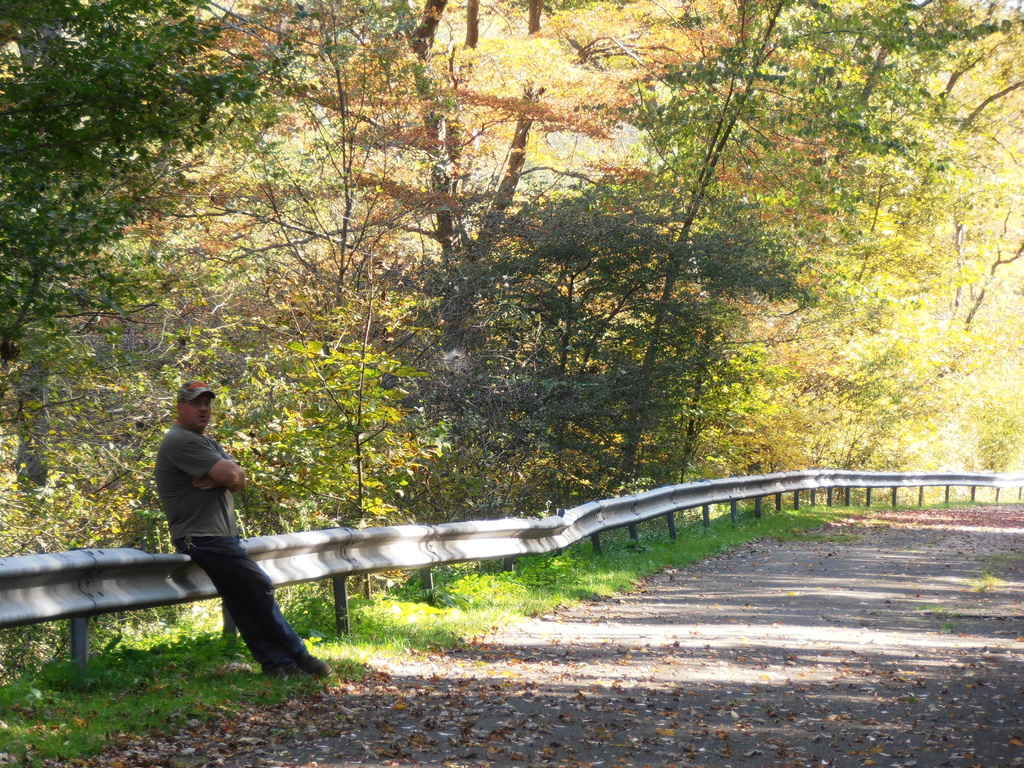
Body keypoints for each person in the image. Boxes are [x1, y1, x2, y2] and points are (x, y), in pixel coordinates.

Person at [155, 380, 332, 678]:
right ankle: (300, 655)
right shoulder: (181, 440)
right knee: (258, 586)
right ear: (180, 408)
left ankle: (278, 665)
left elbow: (239, 479)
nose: (204, 409)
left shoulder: (206, 441)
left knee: (242, 600)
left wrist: (227, 476)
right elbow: (231, 473)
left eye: (207, 403)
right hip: (201, 537)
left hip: (216, 536)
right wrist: (225, 475)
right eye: (197, 404)